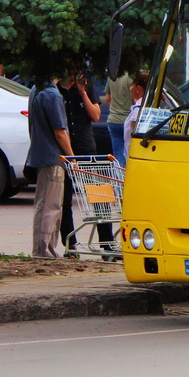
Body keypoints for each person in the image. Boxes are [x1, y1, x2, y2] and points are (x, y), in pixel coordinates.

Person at [58, 66, 112, 256]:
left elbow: (96, 115)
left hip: (86, 148)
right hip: (64, 151)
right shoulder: (56, 90)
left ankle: (107, 242)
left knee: (100, 196)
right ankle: (70, 244)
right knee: (64, 200)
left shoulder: (86, 88)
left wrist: (82, 92)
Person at [25, 77, 73, 259]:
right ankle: (44, 249)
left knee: (44, 204)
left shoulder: (36, 89)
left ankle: (44, 248)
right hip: (53, 157)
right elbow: (60, 131)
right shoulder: (52, 95)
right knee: (51, 206)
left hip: (41, 154)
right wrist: (71, 157)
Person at [120, 72, 150, 165]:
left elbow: (135, 136)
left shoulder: (138, 110)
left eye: (132, 85)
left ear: (138, 88)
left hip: (135, 158)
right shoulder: (148, 105)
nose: (130, 88)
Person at [104, 73, 131, 160]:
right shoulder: (132, 77)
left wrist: (115, 111)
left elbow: (107, 99)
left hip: (113, 120)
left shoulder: (113, 75)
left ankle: (118, 173)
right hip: (129, 121)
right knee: (130, 154)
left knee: (118, 155)